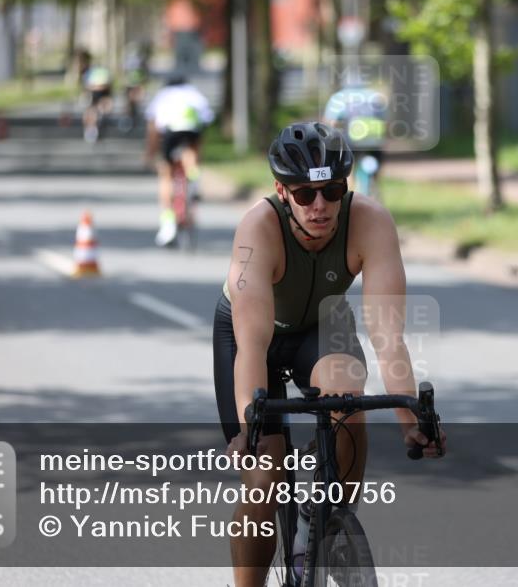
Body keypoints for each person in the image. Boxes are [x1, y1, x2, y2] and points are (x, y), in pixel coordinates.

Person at [213, 122, 444, 586]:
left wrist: (411, 423)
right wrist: (248, 426)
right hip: (251, 336)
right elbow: (253, 345)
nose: (320, 206)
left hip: (321, 323)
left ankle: (325, 520)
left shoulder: (371, 222)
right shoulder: (258, 229)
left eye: (332, 190)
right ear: (281, 191)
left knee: (348, 399)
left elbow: (387, 335)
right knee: (264, 481)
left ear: (347, 186)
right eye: (304, 195)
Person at [143, 74, 214, 246]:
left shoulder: (162, 95)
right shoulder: (194, 93)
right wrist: (198, 154)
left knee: (166, 174)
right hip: (192, 129)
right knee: (190, 150)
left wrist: (150, 154)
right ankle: (194, 174)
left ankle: (168, 223)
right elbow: (206, 120)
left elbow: (153, 128)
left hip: (171, 130)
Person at [323, 78, 388, 197]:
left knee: (348, 169)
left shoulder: (340, 97)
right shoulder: (374, 97)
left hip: (351, 140)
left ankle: (351, 194)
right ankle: (375, 189)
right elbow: (384, 119)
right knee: (375, 167)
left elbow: (331, 121)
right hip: (373, 140)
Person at [81, 62, 113, 143]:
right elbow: (87, 86)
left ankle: (98, 124)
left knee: (103, 110)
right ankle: (91, 129)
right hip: (94, 93)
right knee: (91, 111)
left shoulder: (103, 73)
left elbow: (109, 86)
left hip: (102, 93)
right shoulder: (90, 73)